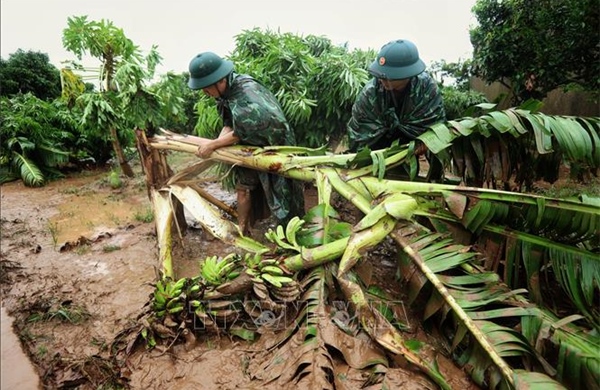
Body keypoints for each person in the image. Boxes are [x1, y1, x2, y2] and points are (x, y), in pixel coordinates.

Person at [187, 51, 304, 236]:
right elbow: (229, 124)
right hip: (248, 148)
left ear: (220, 81)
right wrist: (217, 142)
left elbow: (244, 130)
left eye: (206, 87)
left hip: (273, 146)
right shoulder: (225, 95)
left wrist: (213, 145)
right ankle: (243, 229)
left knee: (282, 195)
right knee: (243, 188)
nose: (204, 92)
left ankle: (290, 236)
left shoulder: (246, 92)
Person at [347, 39, 446, 154]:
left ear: (407, 75)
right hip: (378, 151)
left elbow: (436, 126)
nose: (381, 80)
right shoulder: (370, 93)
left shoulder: (426, 89)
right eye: (380, 75)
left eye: (387, 77)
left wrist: (426, 141)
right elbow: (359, 133)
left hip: (411, 150)